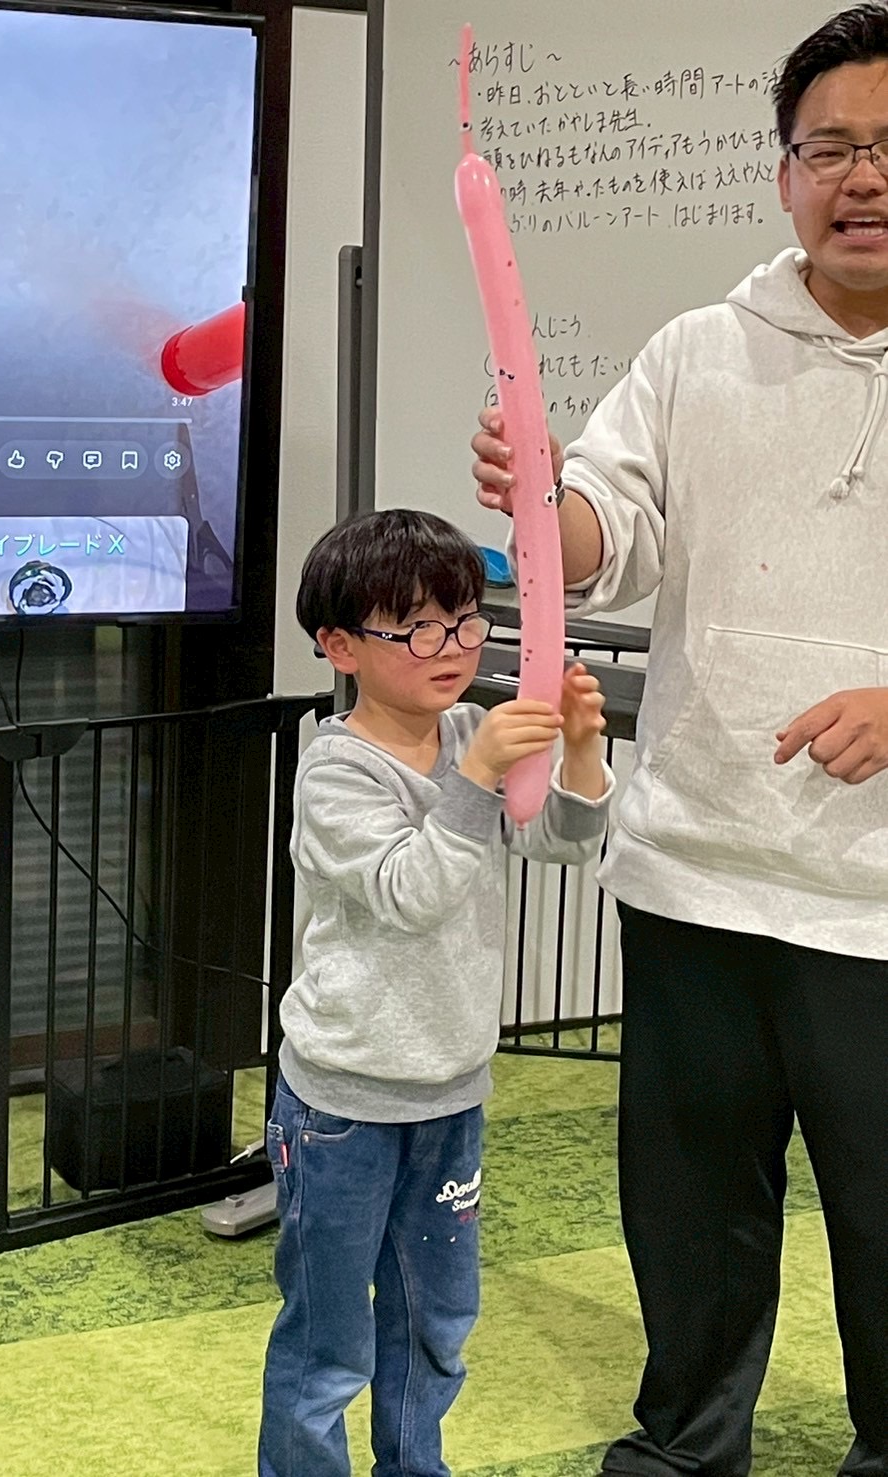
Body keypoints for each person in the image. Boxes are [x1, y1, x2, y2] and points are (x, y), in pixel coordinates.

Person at [471, 5, 888, 1474]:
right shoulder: (699, 350)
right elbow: (605, 536)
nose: (863, 177)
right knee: (693, 1211)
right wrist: (545, 499)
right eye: (831, 148)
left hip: (877, 907)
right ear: (784, 174)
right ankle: (687, 1445)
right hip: (695, 873)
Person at [258, 508, 614, 1477]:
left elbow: (558, 840)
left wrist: (581, 750)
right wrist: (478, 773)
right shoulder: (336, 772)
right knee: (328, 1338)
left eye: (463, 620)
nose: (451, 646)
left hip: (452, 1091)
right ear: (340, 645)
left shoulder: (467, 732)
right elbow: (410, 892)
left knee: (436, 1320)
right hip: (343, 1103)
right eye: (414, 628)